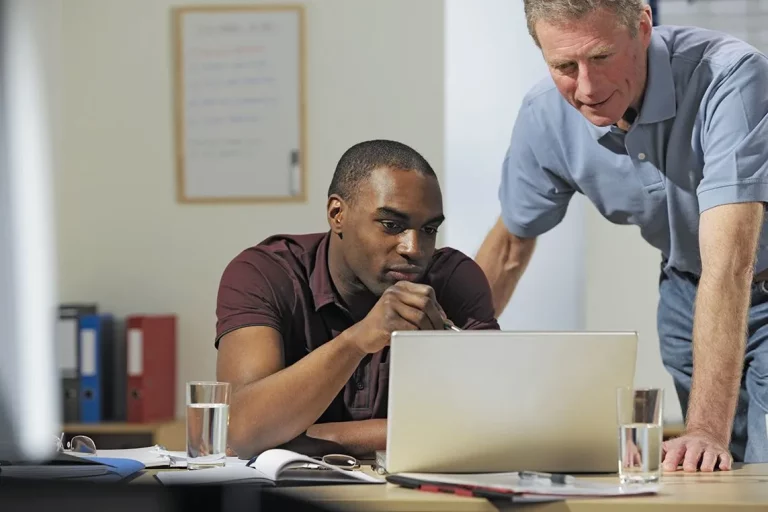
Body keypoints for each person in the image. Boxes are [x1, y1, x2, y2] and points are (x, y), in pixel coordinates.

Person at [475, 0, 768, 472]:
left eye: (602, 56)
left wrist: (704, 429)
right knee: (712, 479)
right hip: (685, 294)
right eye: (565, 66)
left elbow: (731, 265)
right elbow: (508, 248)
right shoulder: (545, 116)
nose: (586, 88)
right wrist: (437, 379)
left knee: (758, 476)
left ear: (644, 27)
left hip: (742, 277)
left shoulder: (730, 77)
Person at [215, 139, 499, 458]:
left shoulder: (452, 279)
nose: (414, 248)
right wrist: (357, 341)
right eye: (392, 225)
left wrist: (314, 437)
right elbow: (240, 431)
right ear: (337, 214)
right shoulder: (265, 274)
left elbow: (492, 423)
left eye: (429, 230)